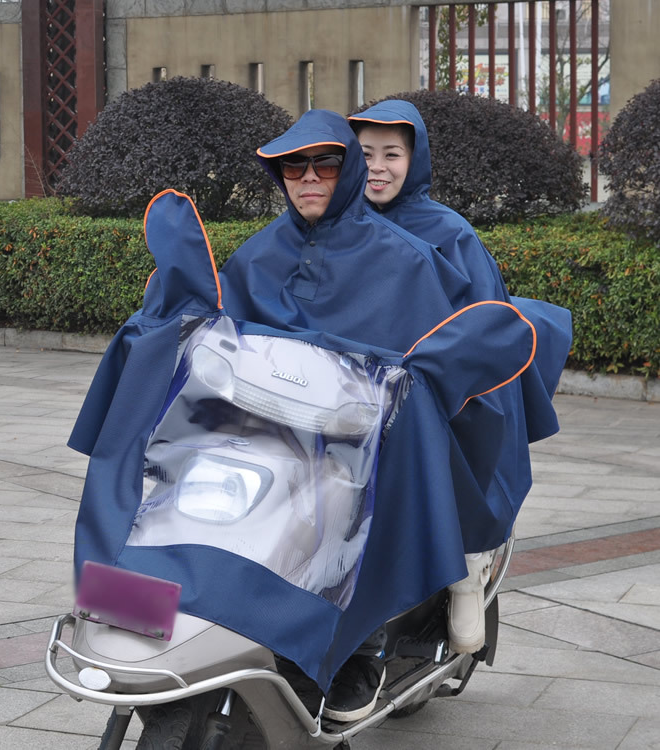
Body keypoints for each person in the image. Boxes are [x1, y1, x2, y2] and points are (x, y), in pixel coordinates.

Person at [217, 109, 556, 721]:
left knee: (374, 482)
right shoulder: (266, 249)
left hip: (397, 419)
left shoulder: (432, 244)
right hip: (288, 424)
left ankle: (417, 606)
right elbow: (226, 325)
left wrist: (425, 386)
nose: (370, 168)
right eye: (297, 166)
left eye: (330, 164)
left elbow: (465, 329)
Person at [347, 99, 571, 654]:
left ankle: (467, 574)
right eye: (365, 152)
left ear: (414, 158)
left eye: (391, 154)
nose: (377, 166)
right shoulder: (336, 221)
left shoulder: (450, 233)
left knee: (451, 463)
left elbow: (483, 329)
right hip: (351, 391)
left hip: (443, 392)